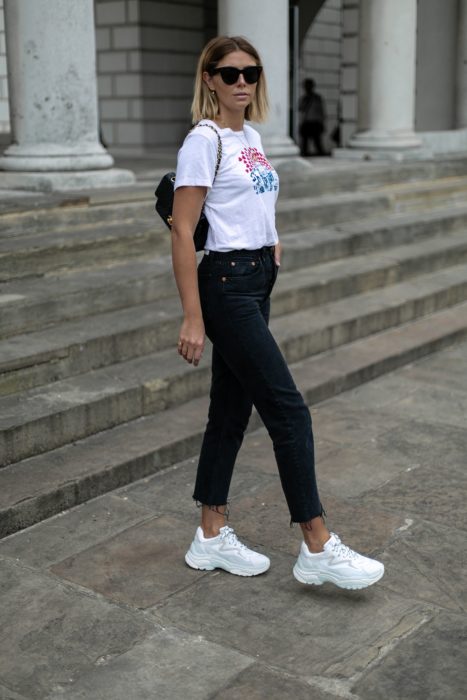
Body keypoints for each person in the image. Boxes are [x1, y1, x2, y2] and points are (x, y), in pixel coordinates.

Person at [171, 35, 384, 590]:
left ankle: (210, 537)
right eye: (230, 72)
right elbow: (181, 230)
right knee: (289, 413)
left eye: (252, 73)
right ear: (210, 79)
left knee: (229, 413)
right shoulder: (203, 140)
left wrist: (272, 240)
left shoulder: (252, 137)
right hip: (225, 285)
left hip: (256, 277)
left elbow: (253, 200)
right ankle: (316, 544)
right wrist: (193, 317)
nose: (243, 81)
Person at [299, 78, 327, 156]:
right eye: (306, 86)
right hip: (307, 122)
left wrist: (322, 122)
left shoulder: (317, 98)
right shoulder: (304, 98)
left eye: (308, 86)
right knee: (305, 142)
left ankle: (321, 155)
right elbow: (301, 109)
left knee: (317, 141)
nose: (307, 88)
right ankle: (304, 154)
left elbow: (321, 112)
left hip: (315, 122)